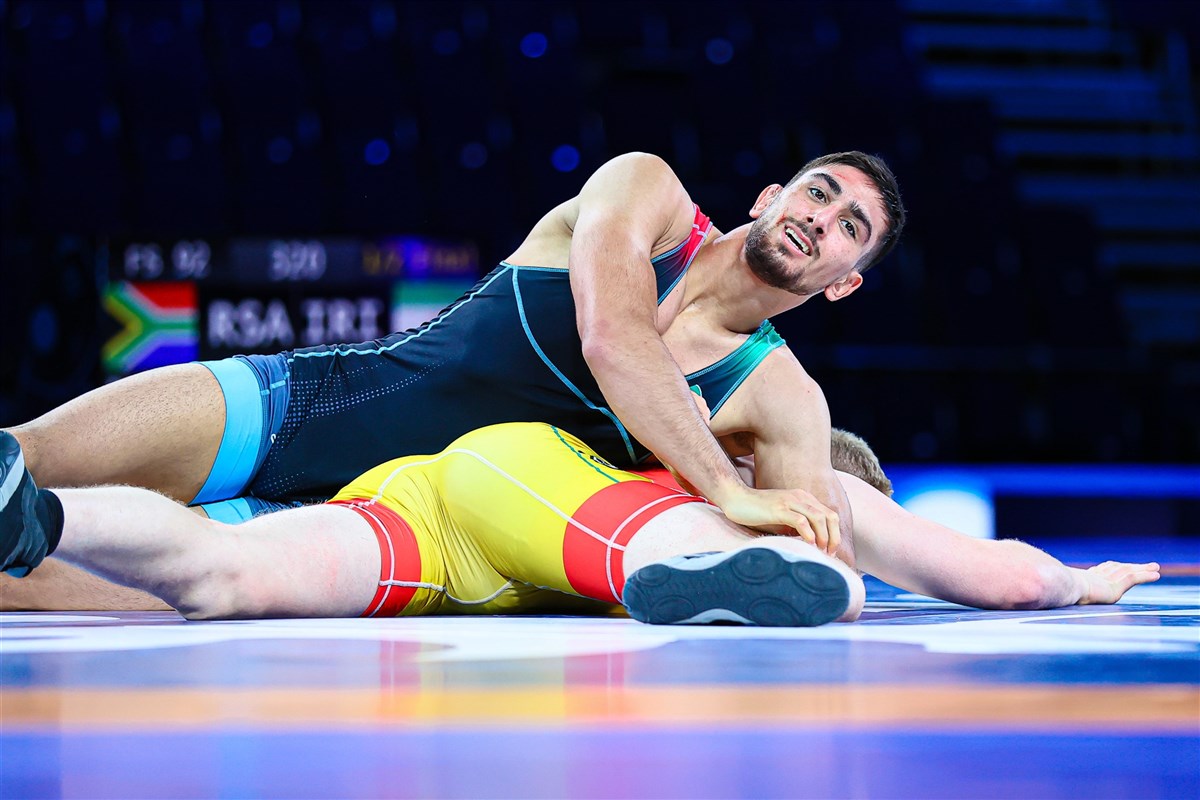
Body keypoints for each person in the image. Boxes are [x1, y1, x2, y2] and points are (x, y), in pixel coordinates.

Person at [2, 150, 906, 608]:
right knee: (27, 456)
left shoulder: (785, 400)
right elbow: (613, 337)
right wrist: (723, 482)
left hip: (365, 526)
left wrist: (812, 511)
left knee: (23, 559)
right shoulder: (648, 193)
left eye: (849, 228)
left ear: (846, 283)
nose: (820, 218)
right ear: (770, 198)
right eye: (818, 192)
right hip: (295, 406)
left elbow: (806, 582)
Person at [0, 426, 1158, 625]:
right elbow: (1004, 579)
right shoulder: (813, 487)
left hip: (454, 528)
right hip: (544, 494)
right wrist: (1079, 580)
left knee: (227, 577)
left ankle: (36, 510)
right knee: (832, 580)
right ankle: (726, 576)